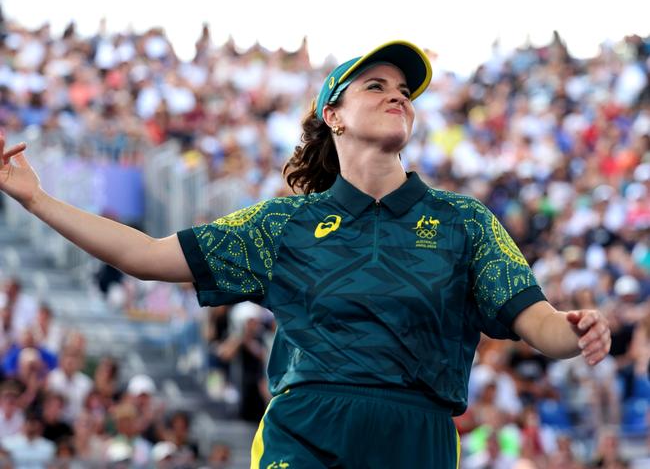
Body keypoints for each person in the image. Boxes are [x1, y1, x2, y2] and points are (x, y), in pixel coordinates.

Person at [0, 40, 612, 468]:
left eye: (404, 90)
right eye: (376, 86)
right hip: (308, 433)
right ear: (333, 115)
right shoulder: (283, 224)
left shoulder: (464, 220)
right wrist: (37, 199)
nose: (397, 95)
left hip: (418, 438)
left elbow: (535, 321)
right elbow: (146, 254)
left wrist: (571, 330)